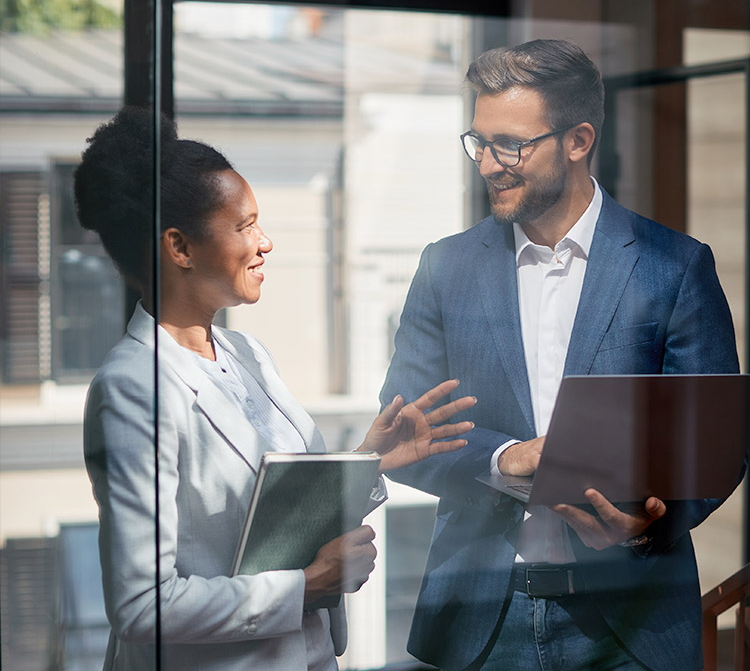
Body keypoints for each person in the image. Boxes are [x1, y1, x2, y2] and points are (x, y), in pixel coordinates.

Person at [380, 39, 740, 671]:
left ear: (578, 140)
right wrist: (505, 456)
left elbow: (717, 441)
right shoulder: (445, 267)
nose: (489, 164)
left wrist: (650, 520)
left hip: (632, 625)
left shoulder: (675, 266)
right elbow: (402, 430)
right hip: (481, 626)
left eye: (511, 145)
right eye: (479, 142)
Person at [74, 106, 476, 671]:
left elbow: (279, 516)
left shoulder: (247, 355)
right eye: (244, 226)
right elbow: (143, 607)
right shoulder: (132, 387)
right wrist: (306, 588)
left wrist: (369, 462)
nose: (265, 243)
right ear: (180, 248)